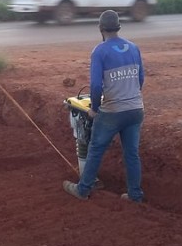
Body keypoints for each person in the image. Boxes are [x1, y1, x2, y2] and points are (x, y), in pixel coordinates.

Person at [62, 10, 145, 202]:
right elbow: (140, 78)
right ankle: (135, 194)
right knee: (132, 154)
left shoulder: (100, 51)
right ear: (118, 27)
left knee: (96, 148)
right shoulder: (133, 48)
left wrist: (94, 108)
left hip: (112, 111)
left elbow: (96, 85)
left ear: (100, 29)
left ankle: (83, 190)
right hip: (135, 109)